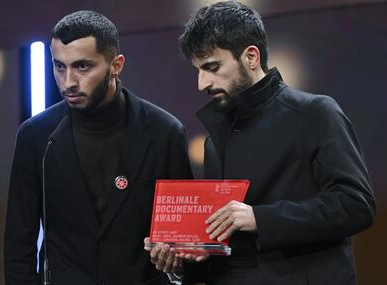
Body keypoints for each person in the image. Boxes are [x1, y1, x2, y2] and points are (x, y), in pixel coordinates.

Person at [145, 1, 376, 284]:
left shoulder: (315, 113)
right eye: (198, 70)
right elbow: (224, 249)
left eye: (212, 67)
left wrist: (259, 218)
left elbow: (356, 205)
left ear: (251, 57)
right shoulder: (214, 139)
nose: (201, 83)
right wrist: (181, 264)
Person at [4, 10, 193, 285]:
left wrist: (174, 256)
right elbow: (18, 244)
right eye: (59, 66)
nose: (68, 81)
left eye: (83, 66)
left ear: (116, 65)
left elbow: (183, 241)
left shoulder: (165, 132)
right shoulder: (36, 136)